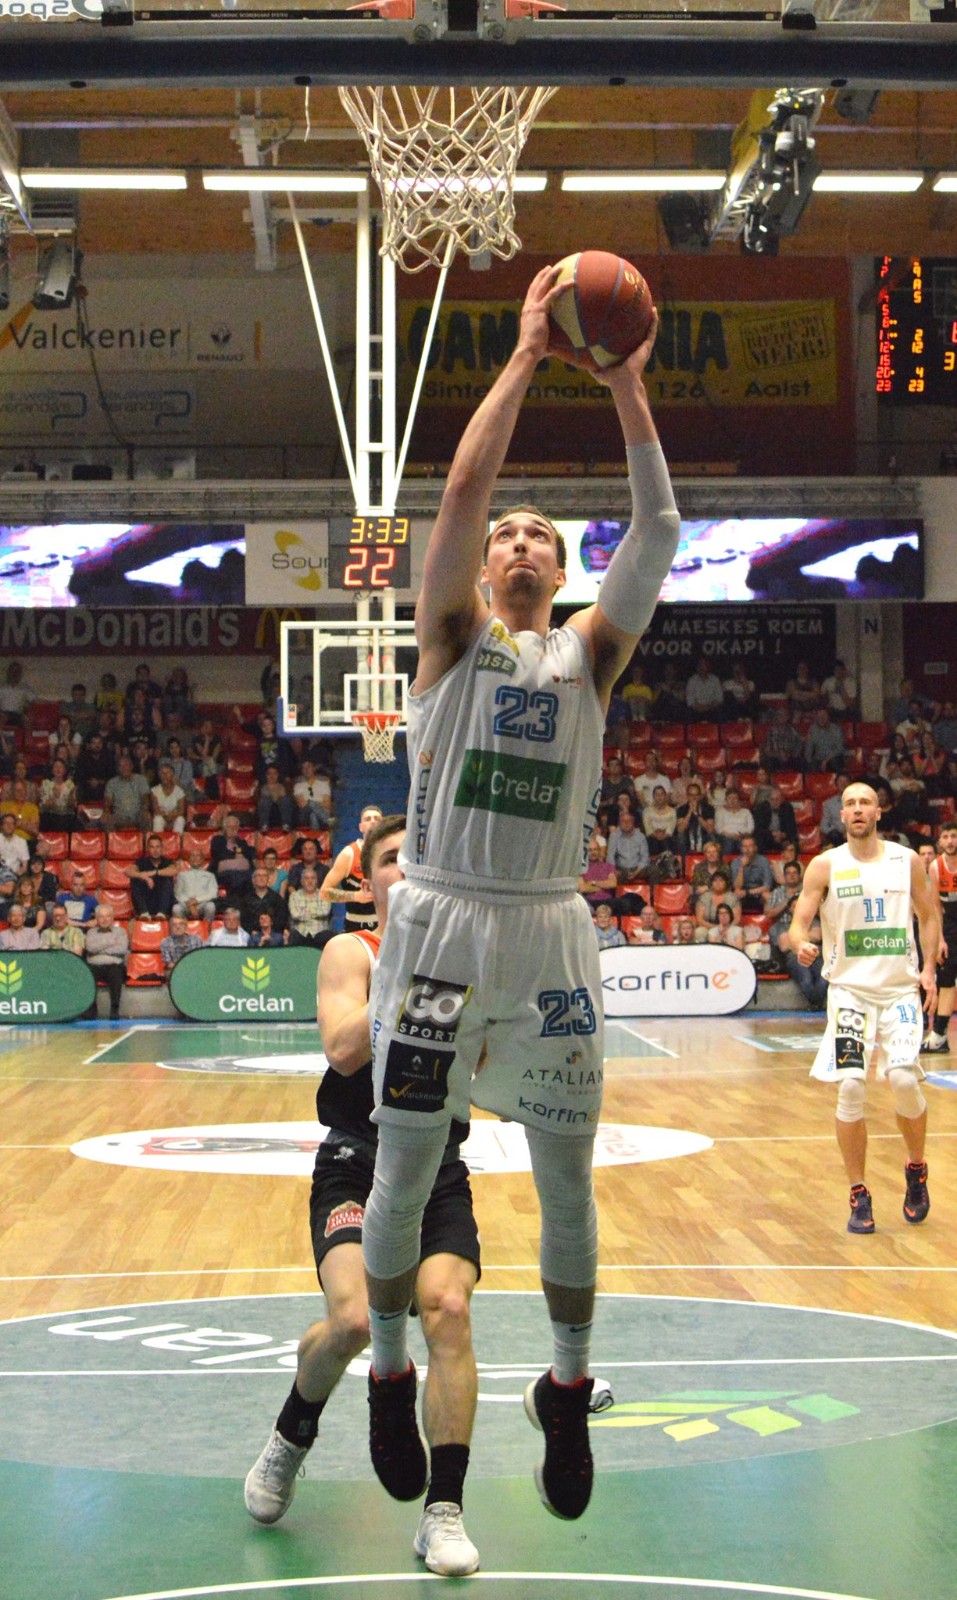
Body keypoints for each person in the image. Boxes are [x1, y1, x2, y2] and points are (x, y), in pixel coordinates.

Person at [360, 267, 678, 1522]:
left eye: (541, 533)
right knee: (403, 1168)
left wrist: (627, 383)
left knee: (567, 1181)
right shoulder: (451, 638)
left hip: (548, 929)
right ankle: (390, 1369)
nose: (519, 541)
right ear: (486, 565)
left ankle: (566, 1384)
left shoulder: (588, 653)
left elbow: (659, 531)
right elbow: (458, 495)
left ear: (563, 564)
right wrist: (530, 354)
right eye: (508, 535)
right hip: (438, 921)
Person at [244, 815, 483, 1578]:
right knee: (351, 1319)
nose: (405, 871)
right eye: (390, 861)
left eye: (418, 859)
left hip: (437, 1162)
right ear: (367, 881)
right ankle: (291, 1435)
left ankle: (442, 1513)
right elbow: (343, 1049)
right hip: (357, 1158)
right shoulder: (353, 952)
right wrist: (412, 984)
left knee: (447, 1309)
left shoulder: (466, 961)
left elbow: (489, 1064)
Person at [788, 781, 940, 1234]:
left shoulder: (906, 860)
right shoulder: (825, 865)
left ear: (878, 812)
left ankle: (916, 1167)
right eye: (850, 803)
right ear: (841, 815)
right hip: (849, 993)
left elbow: (929, 915)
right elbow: (798, 923)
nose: (857, 809)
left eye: (865, 803)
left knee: (903, 1080)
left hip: (898, 991)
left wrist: (928, 969)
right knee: (852, 1087)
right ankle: (858, 1191)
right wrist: (800, 944)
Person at [923, 821, 957, 1058]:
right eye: (945, 837)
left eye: (954, 836)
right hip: (950, 924)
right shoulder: (935, 867)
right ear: (940, 841)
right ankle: (939, 1036)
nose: (950, 841)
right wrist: (940, 939)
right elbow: (935, 907)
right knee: (946, 978)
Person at [320, 805, 383, 932]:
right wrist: (355, 896)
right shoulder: (349, 853)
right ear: (361, 827)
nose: (372, 821)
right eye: (368, 819)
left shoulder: (392, 852)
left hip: (384, 923)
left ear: (383, 825)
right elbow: (324, 892)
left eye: (376, 818)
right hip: (355, 924)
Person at [84, 903, 129, 1019]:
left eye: (107, 916)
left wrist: (99, 949)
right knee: (87, 973)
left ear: (112, 918)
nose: (104, 919)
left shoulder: (121, 932)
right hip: (94, 966)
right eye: (101, 916)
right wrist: (110, 943)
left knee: (116, 972)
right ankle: (91, 1011)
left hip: (114, 966)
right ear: (96, 918)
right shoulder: (91, 932)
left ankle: (114, 1010)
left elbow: (121, 949)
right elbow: (90, 948)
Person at [128, 834, 178, 919]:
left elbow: (174, 870)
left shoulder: (167, 861)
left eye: (158, 847)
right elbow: (128, 871)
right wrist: (142, 876)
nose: (155, 850)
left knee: (167, 880)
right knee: (134, 879)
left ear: (162, 848)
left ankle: (161, 914)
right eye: (152, 847)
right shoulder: (142, 861)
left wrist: (152, 873)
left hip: (164, 903)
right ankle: (144, 913)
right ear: (148, 849)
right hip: (147, 903)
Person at [210, 812, 256, 900]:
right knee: (238, 877)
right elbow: (219, 855)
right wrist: (238, 856)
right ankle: (236, 901)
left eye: (235, 827)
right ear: (224, 828)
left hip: (244, 873)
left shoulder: (242, 842)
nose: (232, 829)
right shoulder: (218, 840)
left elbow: (250, 853)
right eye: (229, 827)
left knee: (251, 876)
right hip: (223, 874)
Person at [287, 865, 333, 949]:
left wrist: (304, 911)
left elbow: (325, 912)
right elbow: (295, 915)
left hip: (319, 933)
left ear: (317, 881)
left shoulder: (324, 895)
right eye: (306, 878)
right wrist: (315, 912)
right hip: (301, 933)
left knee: (328, 935)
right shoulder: (294, 896)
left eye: (313, 878)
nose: (310, 881)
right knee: (293, 936)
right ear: (301, 881)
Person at [103, 753, 151, 832]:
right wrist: (106, 811)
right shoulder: (112, 782)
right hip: (119, 816)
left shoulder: (141, 780)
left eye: (126, 765)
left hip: (137, 815)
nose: (123, 768)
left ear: (131, 766)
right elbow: (108, 800)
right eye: (120, 766)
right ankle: (112, 841)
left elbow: (145, 797)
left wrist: (145, 809)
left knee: (147, 818)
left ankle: (146, 840)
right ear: (118, 769)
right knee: (107, 820)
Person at [172, 845, 219, 922]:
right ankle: (182, 927)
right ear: (189, 859)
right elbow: (178, 893)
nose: (195, 858)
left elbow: (213, 893)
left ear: (202, 859)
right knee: (176, 908)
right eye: (192, 856)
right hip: (186, 904)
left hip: (202, 903)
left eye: (198, 856)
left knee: (211, 906)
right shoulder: (182, 875)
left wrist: (197, 900)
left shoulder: (210, 875)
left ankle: (207, 928)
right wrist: (190, 905)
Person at [240, 865, 288, 937]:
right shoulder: (246, 899)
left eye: (264, 876)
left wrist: (270, 932)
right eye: (258, 876)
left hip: (273, 935)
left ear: (268, 880)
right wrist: (251, 931)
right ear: (253, 880)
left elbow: (282, 918)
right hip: (251, 936)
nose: (261, 878)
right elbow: (244, 920)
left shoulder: (277, 898)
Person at [732, 834, 775, 914]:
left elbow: (767, 886)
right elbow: (737, 887)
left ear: (755, 848)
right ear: (741, 849)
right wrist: (741, 868)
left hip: (759, 893)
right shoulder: (736, 862)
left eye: (750, 846)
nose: (747, 849)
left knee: (767, 895)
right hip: (742, 894)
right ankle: (736, 920)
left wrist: (747, 892)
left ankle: (768, 919)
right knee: (733, 895)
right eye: (745, 846)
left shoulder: (763, 861)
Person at [752, 784, 798, 855]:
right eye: (772, 799)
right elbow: (758, 829)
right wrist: (772, 834)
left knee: (794, 840)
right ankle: (761, 861)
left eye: (777, 799)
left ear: (781, 800)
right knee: (758, 838)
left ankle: (793, 861)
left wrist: (783, 835)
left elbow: (792, 827)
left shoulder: (787, 808)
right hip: (767, 837)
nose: (774, 802)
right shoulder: (761, 808)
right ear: (768, 800)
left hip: (782, 837)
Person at [804, 708, 846, 774]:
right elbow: (809, 748)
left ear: (828, 717)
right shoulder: (812, 729)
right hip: (819, 758)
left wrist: (826, 760)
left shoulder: (836, 729)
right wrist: (809, 761)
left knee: (834, 762)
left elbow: (840, 748)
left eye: (824, 716)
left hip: (833, 757)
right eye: (819, 716)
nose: (822, 718)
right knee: (808, 765)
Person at [150, 761, 187, 834]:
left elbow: (182, 811)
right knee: (157, 819)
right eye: (162, 773)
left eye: (167, 773)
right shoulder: (154, 790)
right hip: (162, 817)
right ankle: (157, 840)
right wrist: (166, 816)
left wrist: (172, 816)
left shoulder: (179, 791)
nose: (164, 775)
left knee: (180, 819)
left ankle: (177, 840)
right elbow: (156, 810)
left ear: (172, 774)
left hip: (175, 817)